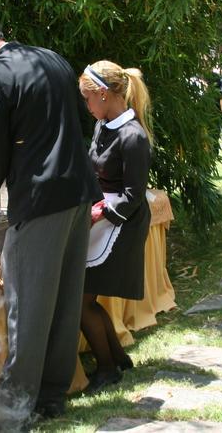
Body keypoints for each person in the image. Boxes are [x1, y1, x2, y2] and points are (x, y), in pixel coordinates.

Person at [0, 16, 101, 427]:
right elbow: (64, 126)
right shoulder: (53, 60)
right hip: (77, 192)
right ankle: (52, 397)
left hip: (40, 201)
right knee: (65, 301)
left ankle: (12, 413)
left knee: (29, 308)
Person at [77, 61, 153, 394]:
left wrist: (102, 212)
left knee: (82, 300)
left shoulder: (133, 136)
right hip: (103, 215)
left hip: (123, 222)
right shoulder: (103, 125)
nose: (86, 106)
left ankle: (107, 369)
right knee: (86, 297)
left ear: (104, 95)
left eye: (87, 99)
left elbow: (134, 195)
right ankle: (118, 357)